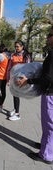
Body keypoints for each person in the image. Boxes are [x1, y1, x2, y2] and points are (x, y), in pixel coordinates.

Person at [17, 26, 53, 164]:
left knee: (49, 123)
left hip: (50, 94)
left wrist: (29, 81)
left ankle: (46, 155)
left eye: (50, 35)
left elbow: (48, 78)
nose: (47, 37)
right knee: (48, 123)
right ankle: (47, 145)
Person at [7, 40, 32, 121]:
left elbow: (28, 68)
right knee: (14, 94)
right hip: (13, 78)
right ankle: (15, 109)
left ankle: (17, 114)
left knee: (16, 94)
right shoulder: (13, 55)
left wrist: (25, 79)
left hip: (21, 79)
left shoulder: (26, 56)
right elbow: (9, 67)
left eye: (18, 46)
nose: (16, 48)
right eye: (15, 46)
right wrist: (8, 78)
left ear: (22, 47)